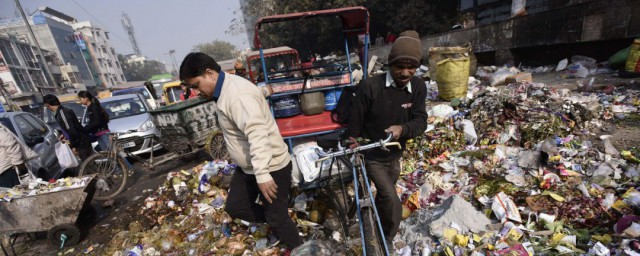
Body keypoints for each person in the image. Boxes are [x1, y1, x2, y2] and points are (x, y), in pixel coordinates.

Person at [179, 52, 302, 252]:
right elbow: (249, 103)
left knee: (276, 218)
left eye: (196, 85)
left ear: (209, 73)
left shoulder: (235, 94)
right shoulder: (226, 89)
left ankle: (298, 247)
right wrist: (262, 92)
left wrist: (263, 174)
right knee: (236, 207)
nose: (196, 91)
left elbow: (257, 133)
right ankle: (280, 218)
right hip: (249, 167)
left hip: (269, 166)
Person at [347, 30, 428, 248]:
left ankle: (379, 224)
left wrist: (403, 129)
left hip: (395, 153)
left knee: (386, 196)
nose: (405, 72)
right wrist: (352, 142)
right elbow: (354, 124)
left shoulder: (418, 87)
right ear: (390, 64)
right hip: (372, 154)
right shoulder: (370, 87)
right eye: (399, 66)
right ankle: (386, 241)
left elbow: (421, 121)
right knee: (391, 198)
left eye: (411, 67)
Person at [44, 94, 94, 162]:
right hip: (80, 140)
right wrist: (64, 135)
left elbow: (71, 130)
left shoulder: (62, 113)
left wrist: (74, 146)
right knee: (89, 164)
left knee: (89, 165)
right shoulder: (61, 112)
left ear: (47, 105)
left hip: (81, 142)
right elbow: (68, 128)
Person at [0, 123, 37, 188]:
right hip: (4, 171)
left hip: (7, 171)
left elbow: (10, 143)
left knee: (18, 195)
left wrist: (19, 164)